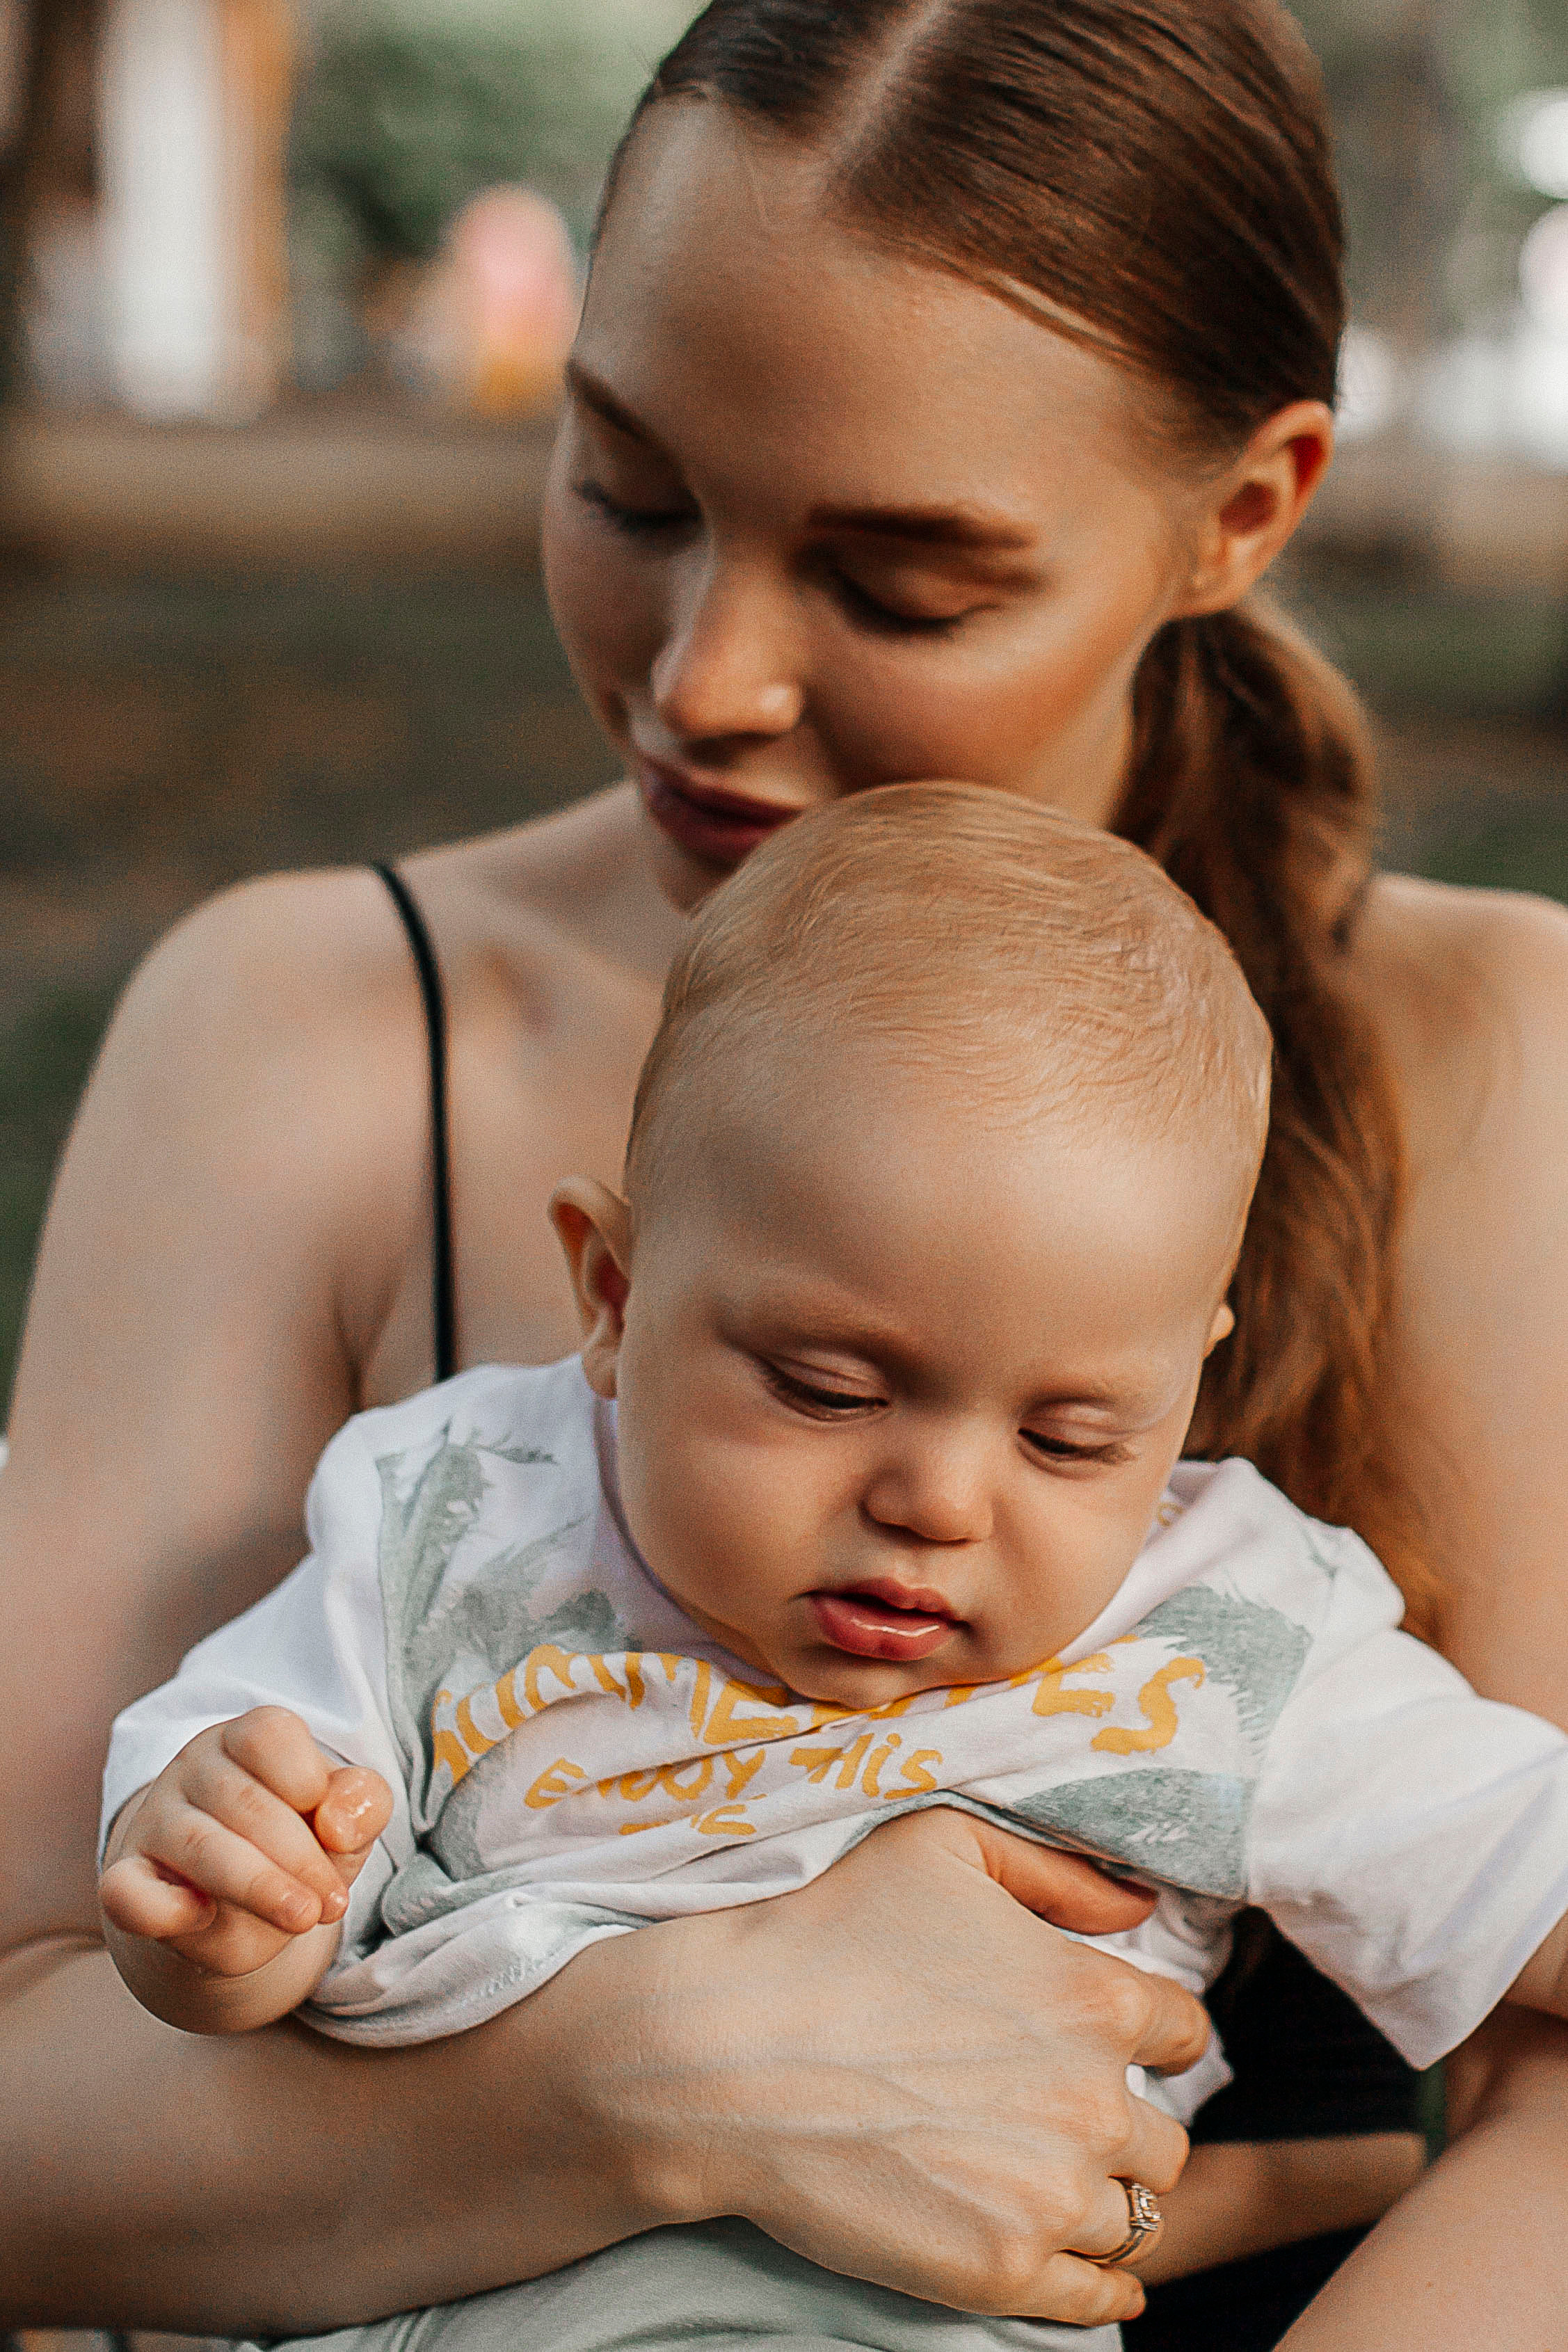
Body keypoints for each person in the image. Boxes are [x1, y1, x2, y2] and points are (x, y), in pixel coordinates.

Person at [4, 0, 1568, 2344]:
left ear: (1242, 513)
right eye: (629, 486)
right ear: (609, 1286)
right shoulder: (314, 1037)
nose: (704, 678)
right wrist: (652, 2078)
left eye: (902, 581)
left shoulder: (1479, 1048)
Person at [91, 790, 1568, 2352]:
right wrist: (224, 1909)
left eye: (1067, 1436)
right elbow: (245, 1859)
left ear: (1183, 1391)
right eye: (825, 1388)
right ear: (613, 1291)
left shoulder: (1216, 1629)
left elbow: (1514, 1862)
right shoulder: (466, 1508)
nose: (936, 1500)